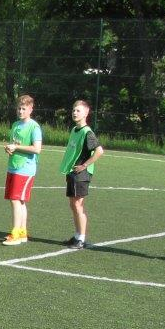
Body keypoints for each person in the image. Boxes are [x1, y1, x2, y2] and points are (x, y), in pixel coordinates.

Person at [60, 100, 104, 248]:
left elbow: (99, 151)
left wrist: (84, 165)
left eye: (78, 110)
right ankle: (77, 235)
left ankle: (81, 239)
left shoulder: (87, 132)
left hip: (81, 174)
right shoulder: (74, 130)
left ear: (86, 113)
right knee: (73, 205)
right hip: (72, 173)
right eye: (73, 110)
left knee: (78, 205)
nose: (74, 113)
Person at [2, 94, 41, 246]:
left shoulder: (34, 127)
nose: (20, 111)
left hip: (25, 168)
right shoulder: (15, 125)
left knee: (15, 199)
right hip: (13, 166)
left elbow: (37, 149)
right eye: (19, 108)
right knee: (19, 200)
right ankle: (23, 232)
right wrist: (10, 148)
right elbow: (15, 144)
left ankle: (16, 233)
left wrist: (17, 147)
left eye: (24, 108)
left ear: (31, 109)